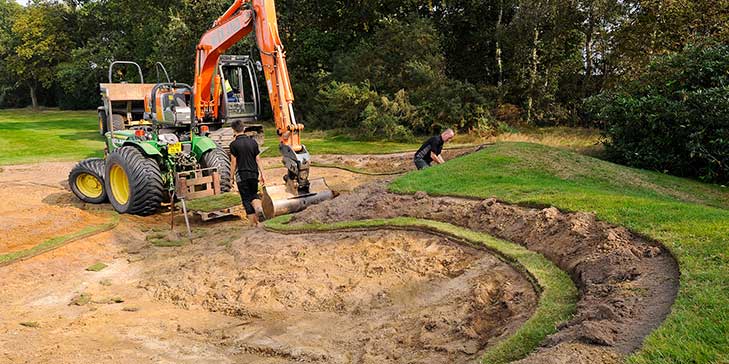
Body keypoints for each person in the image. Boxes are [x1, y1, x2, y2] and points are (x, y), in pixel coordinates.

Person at [229, 119, 266, 226]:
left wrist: (231, 178)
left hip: (242, 175)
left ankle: (253, 224)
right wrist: (262, 174)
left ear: (234, 130)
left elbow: (233, 163)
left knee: (246, 199)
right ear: (244, 129)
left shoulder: (233, 145)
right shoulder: (253, 142)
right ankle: (258, 208)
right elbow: (258, 160)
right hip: (254, 174)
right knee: (254, 194)